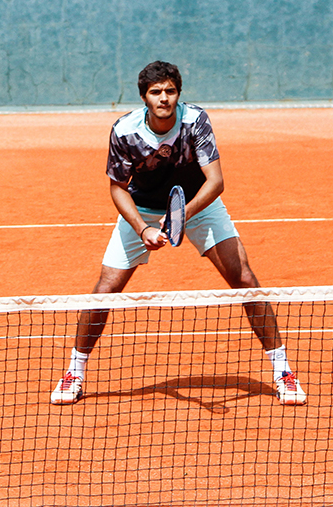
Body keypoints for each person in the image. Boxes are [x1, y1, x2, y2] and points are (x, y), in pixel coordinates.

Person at [51, 61, 306, 406]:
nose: (164, 98)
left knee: (244, 278)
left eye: (170, 91)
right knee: (105, 290)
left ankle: (283, 371)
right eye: (156, 92)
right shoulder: (125, 130)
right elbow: (117, 188)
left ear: (178, 95)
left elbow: (216, 182)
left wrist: (179, 217)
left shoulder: (194, 121)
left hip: (197, 205)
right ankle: (74, 372)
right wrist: (142, 228)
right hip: (141, 209)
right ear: (144, 97)